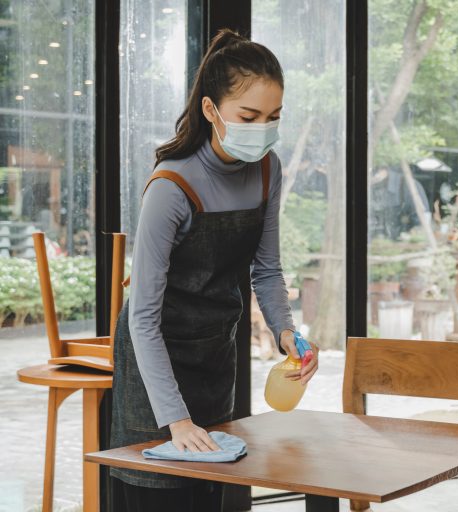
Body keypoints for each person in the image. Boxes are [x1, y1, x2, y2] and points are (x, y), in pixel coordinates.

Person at [110, 29, 319, 512]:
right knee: (160, 494)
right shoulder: (171, 186)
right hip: (153, 366)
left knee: (210, 494)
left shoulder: (268, 170)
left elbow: (266, 271)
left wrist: (288, 334)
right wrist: (175, 421)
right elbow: (143, 316)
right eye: (248, 117)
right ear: (211, 110)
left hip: (213, 354)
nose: (262, 129)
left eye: (273, 118)